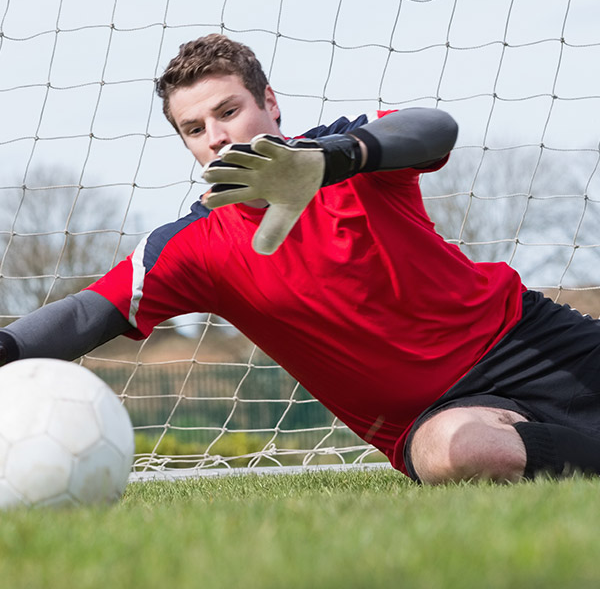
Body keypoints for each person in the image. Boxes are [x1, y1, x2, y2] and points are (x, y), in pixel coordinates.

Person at [2, 33, 600, 484]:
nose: (215, 135)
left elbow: (435, 128)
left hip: (524, 338)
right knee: (467, 454)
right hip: (433, 416)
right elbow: (88, 312)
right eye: (194, 127)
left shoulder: (349, 153)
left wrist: (335, 159)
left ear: (270, 102)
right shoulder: (191, 245)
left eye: (228, 110)